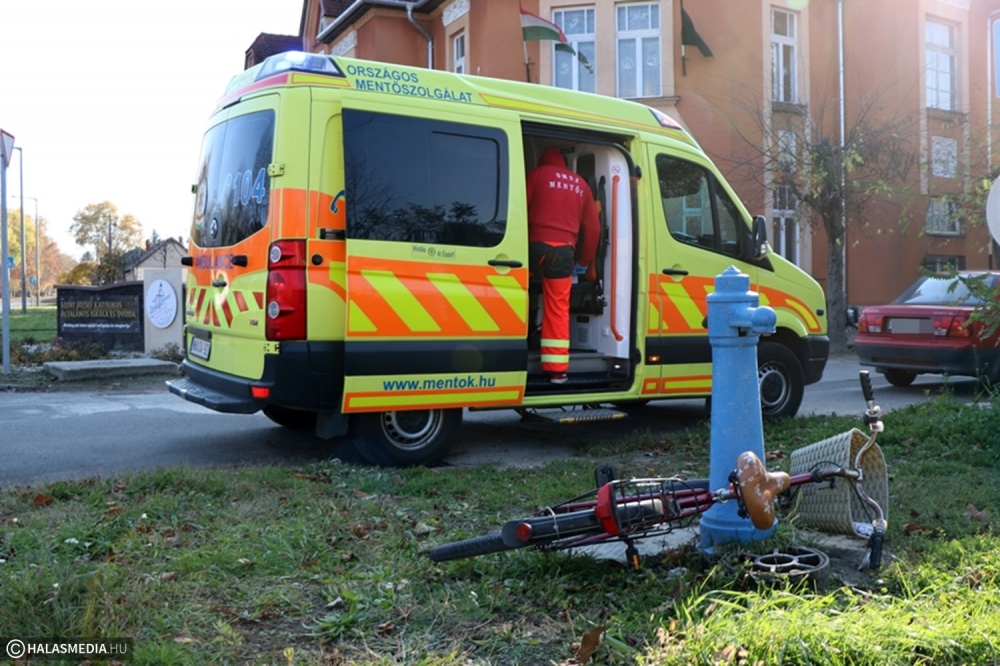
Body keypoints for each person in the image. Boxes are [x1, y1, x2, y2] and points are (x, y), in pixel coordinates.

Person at [526, 147, 600, 383]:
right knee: (557, 307)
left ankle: (514, 358)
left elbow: (518, 209)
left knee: (517, 296)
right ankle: (557, 370)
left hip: (533, 246)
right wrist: (584, 262)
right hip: (563, 251)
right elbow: (593, 230)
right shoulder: (581, 185)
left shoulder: (536, 175)